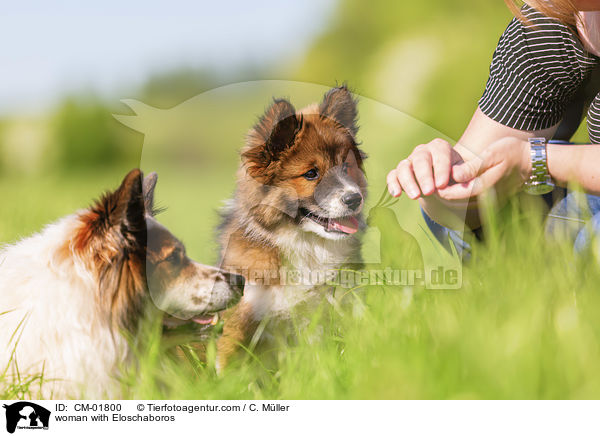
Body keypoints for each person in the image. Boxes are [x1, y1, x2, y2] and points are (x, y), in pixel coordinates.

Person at [386, 0, 600, 256]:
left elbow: (529, 160)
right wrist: (438, 180)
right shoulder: (550, 23)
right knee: (468, 219)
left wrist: (537, 161)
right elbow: (476, 173)